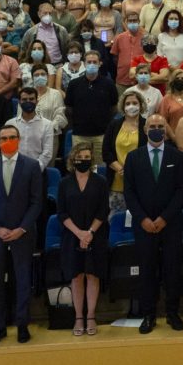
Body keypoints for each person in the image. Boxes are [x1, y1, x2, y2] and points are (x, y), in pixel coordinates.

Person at [0, 124, 43, 345]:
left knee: (23, 280)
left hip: (22, 233)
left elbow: (36, 202)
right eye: (4, 138)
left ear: (19, 139)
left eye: (12, 137)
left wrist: (21, 228)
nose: (8, 141)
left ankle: (22, 325)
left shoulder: (32, 166)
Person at [123, 114, 183, 334]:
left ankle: (172, 312)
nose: (157, 129)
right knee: (147, 270)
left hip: (170, 223)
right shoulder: (133, 157)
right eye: (153, 126)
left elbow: (181, 191)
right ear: (145, 129)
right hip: (144, 224)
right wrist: (142, 218)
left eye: (161, 126)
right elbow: (129, 192)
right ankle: (148, 314)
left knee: (172, 269)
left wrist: (164, 218)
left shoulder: (176, 156)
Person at [57, 142, 108, 337]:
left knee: (92, 275)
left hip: (96, 234)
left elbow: (104, 210)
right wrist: (79, 233)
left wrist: (89, 233)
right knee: (76, 276)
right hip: (72, 235)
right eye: (80, 158)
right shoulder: (64, 183)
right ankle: (78, 316)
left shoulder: (100, 181)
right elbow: (61, 213)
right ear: (73, 159)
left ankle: (91, 316)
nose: (83, 161)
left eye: (87, 158)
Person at [65, 51, 118, 169]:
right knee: (78, 167)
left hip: (101, 135)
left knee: (99, 169)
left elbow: (114, 108)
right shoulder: (74, 84)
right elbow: (69, 108)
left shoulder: (109, 84)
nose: (92, 64)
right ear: (84, 63)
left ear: (100, 64)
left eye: (95, 62)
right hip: (79, 134)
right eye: (89, 62)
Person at [102, 92, 146, 216]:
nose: (131, 106)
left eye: (134, 103)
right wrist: (120, 168)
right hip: (117, 181)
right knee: (115, 219)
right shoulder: (114, 125)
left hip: (139, 182)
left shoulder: (147, 126)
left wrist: (131, 171)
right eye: (128, 103)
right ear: (123, 106)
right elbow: (106, 152)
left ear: (141, 105)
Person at [6, 87, 54, 170]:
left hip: (37, 171)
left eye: (31, 99)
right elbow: (7, 149)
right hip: (14, 170)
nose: (28, 102)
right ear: (19, 102)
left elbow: (47, 153)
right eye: (24, 99)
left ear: (37, 101)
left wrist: (34, 169)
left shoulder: (47, 124)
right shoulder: (10, 124)